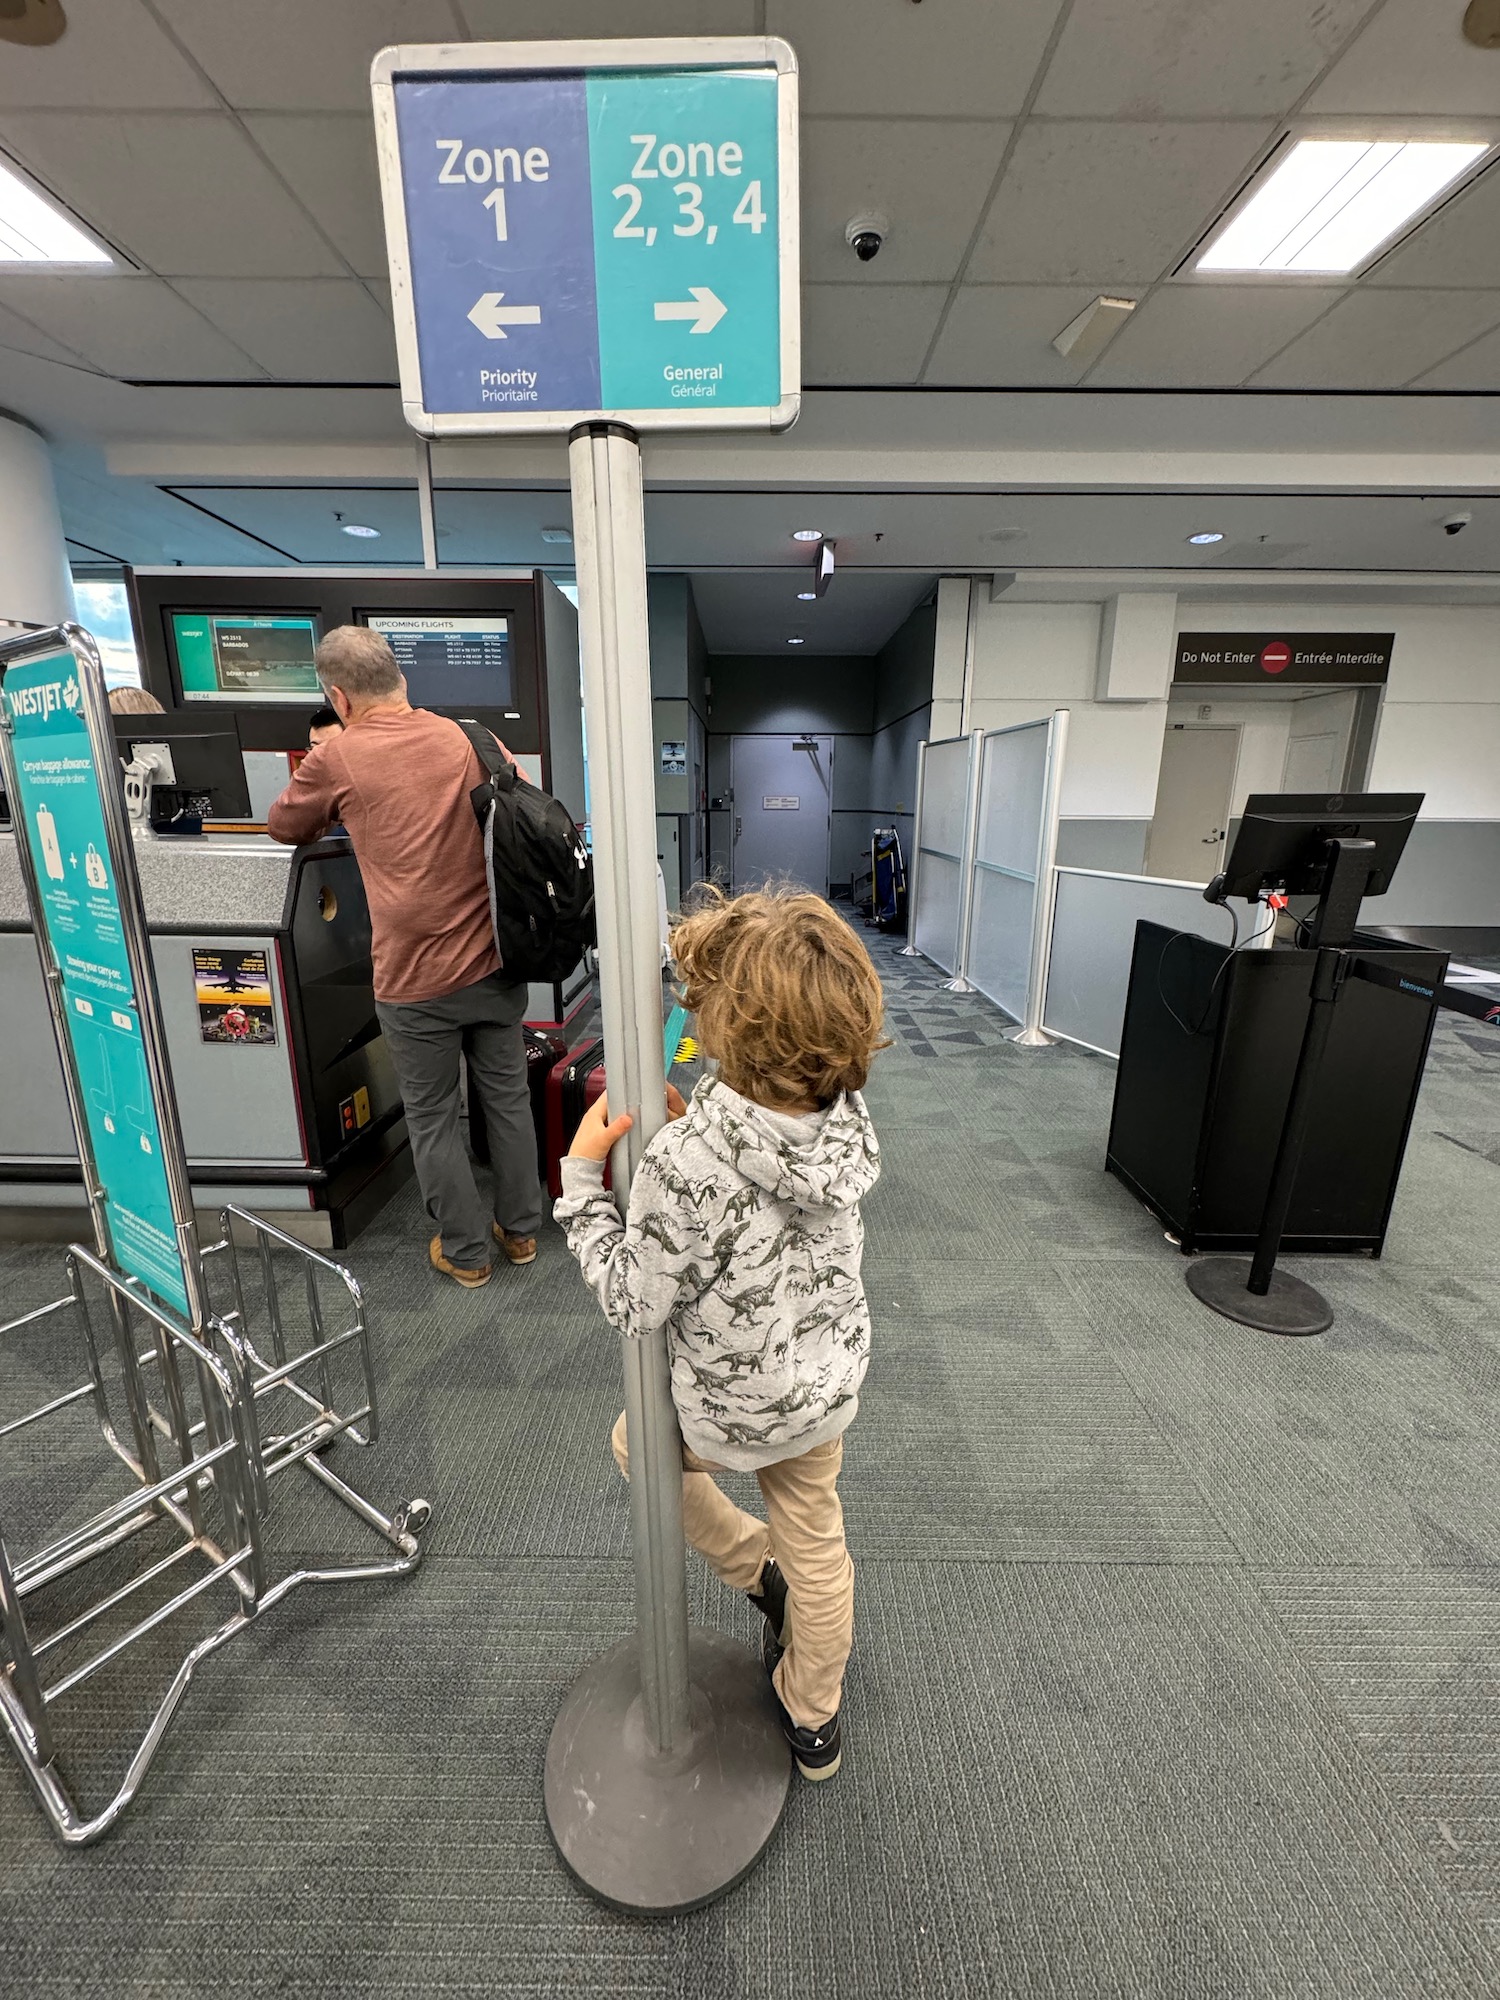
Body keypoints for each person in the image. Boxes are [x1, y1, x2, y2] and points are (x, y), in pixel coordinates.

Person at [554, 888, 885, 1781]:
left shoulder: (681, 1163)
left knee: (637, 1446)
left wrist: (586, 1182)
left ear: (727, 1032)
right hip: (822, 1395)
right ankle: (815, 1721)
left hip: (726, 1413)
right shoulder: (845, 1124)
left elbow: (633, 1301)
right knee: (820, 1545)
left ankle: (751, 1570)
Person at [266, 625, 541, 1287]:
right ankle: (523, 1232)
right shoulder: (473, 739)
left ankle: (467, 1254)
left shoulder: (341, 757)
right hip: (493, 961)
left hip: (413, 978)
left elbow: (284, 825)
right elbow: (526, 801)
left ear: (339, 696)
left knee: (434, 1115)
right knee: (506, 1099)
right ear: (401, 678)